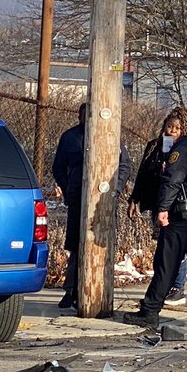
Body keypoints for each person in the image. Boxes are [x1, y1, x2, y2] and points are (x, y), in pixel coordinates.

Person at [124, 105, 187, 328]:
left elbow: (173, 179)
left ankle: (150, 312)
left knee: (167, 264)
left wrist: (162, 209)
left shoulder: (185, 147)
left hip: (184, 217)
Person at [51, 102, 131, 311]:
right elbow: (58, 167)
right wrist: (68, 188)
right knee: (77, 244)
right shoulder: (70, 137)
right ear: (79, 117)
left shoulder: (110, 135)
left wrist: (117, 188)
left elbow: (124, 164)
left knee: (101, 242)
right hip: (78, 196)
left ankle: (100, 289)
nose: (87, 120)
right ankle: (71, 290)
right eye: (84, 116)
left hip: (103, 200)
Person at [128, 107, 187, 306]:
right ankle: (163, 287)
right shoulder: (154, 146)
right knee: (162, 245)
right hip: (157, 200)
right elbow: (142, 173)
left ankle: (177, 287)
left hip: (177, 203)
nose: (172, 131)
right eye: (169, 126)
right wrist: (134, 198)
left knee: (176, 246)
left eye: (177, 128)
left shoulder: (185, 148)